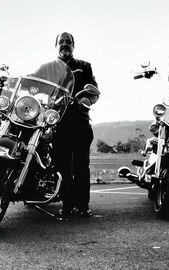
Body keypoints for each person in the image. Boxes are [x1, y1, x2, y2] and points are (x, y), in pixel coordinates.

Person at [52, 32, 100, 218]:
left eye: (68, 42)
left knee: (81, 165)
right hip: (58, 122)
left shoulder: (83, 66)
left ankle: (82, 205)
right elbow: (37, 85)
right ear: (55, 45)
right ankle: (66, 204)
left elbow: (94, 90)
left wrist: (86, 98)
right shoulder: (49, 68)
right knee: (62, 166)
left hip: (80, 121)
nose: (65, 45)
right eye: (61, 42)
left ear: (74, 45)